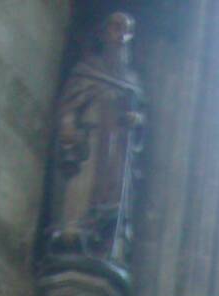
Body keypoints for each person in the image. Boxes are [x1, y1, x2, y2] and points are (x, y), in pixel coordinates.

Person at [46, 12, 145, 267]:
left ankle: (107, 243)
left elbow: (140, 119)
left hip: (118, 147)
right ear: (103, 33)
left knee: (113, 192)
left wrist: (136, 119)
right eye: (116, 27)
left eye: (127, 30)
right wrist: (68, 125)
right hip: (89, 139)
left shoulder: (132, 80)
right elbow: (69, 106)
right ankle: (72, 232)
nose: (121, 35)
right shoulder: (88, 69)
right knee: (82, 184)